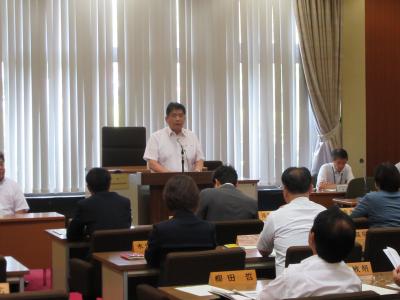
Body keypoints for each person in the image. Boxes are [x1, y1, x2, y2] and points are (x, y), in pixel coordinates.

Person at [257, 207, 361, 300]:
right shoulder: (354, 281)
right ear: (352, 246)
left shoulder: (292, 275)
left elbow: (263, 297)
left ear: (311, 238)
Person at [257, 167, 326, 276]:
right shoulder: (324, 213)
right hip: (319, 282)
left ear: (284, 190)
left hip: (286, 287)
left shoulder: (275, 216)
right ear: (311, 188)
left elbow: (263, 250)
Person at [145, 175, 216, 268]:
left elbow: (151, 261)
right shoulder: (209, 228)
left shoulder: (160, 230)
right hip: (201, 282)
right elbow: (212, 259)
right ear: (196, 198)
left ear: (167, 198)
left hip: (169, 282)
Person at [67, 168, 131, 241]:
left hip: (96, 251)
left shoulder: (85, 204)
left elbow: (72, 235)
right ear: (109, 184)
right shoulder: (125, 202)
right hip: (123, 250)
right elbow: (127, 225)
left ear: (88, 187)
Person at [143, 102, 204, 172]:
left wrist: (197, 170)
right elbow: (152, 163)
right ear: (166, 119)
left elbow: (199, 159)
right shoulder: (156, 137)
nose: (177, 119)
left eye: (181, 116)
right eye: (174, 116)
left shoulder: (192, 136)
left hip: (188, 180)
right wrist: (170, 175)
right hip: (164, 180)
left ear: (184, 118)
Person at [350, 162, 400, 227]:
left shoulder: (370, 198)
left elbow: (351, 218)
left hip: (379, 236)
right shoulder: (370, 198)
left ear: (376, 183)